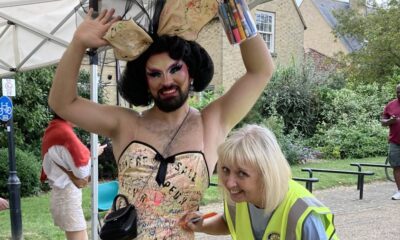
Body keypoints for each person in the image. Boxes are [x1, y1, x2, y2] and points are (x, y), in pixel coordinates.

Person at [48, 1, 273, 239]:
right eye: (155, 74)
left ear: (192, 71)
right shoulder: (125, 124)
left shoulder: (212, 123)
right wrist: (78, 44)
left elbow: (260, 71)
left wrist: (233, 7)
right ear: (144, 81)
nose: (166, 81)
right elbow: (62, 103)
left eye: (175, 69)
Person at [181, 125, 337, 240]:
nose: (229, 183)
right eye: (225, 170)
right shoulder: (238, 198)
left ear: (266, 175)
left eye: (242, 173)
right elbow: (230, 222)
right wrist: (202, 225)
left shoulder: (304, 215)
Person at [41, 113, 106, 240]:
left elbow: (54, 165)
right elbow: (81, 173)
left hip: (60, 194)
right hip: (68, 196)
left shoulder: (52, 130)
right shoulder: (64, 134)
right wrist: (94, 154)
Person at [381, 83, 400, 200]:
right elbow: (383, 121)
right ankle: (399, 191)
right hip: (395, 142)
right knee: (396, 167)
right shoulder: (390, 105)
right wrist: (389, 121)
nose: (399, 94)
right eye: (398, 92)